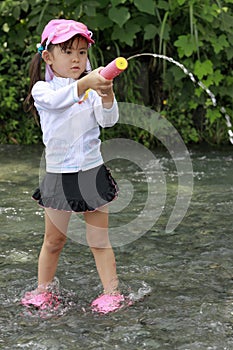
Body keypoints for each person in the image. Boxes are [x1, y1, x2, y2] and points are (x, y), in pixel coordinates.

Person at [21, 19, 125, 314]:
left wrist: (107, 95)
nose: (76, 59)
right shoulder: (43, 90)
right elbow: (57, 101)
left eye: (81, 52)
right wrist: (85, 84)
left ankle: (111, 293)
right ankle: (44, 291)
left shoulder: (91, 87)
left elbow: (108, 121)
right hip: (58, 175)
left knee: (99, 240)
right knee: (54, 240)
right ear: (48, 57)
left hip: (91, 171)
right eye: (68, 52)